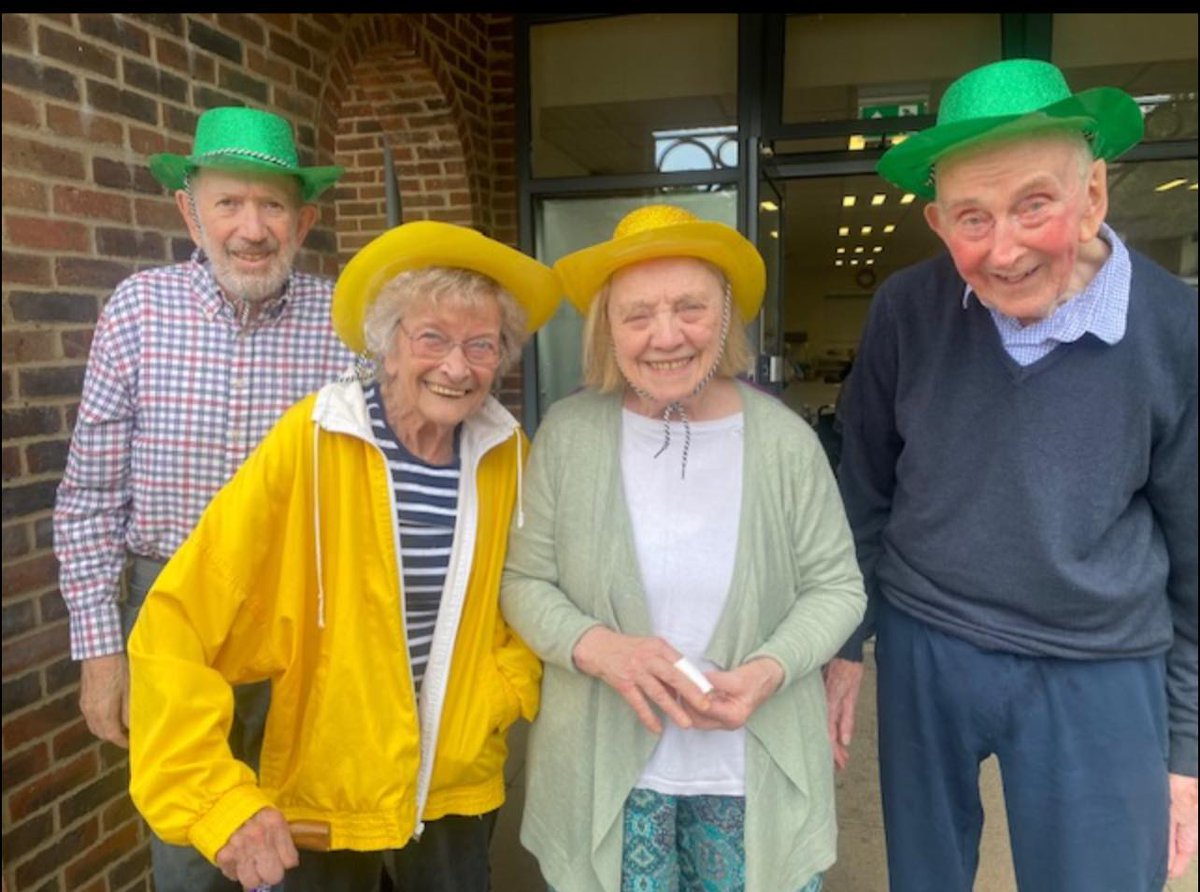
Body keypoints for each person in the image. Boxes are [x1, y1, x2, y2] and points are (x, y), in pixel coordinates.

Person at [824, 58, 1198, 891]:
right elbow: (867, 489)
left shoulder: (1177, 328)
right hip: (928, 640)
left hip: (1099, 659)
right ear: (936, 221)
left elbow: (1197, 553)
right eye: (971, 217)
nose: (1004, 247)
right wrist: (846, 646)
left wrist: (1187, 746)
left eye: (1036, 204)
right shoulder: (905, 311)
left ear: (1093, 194)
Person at [126, 220, 560, 892]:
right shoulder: (312, 441)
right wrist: (213, 797)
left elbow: (531, 590)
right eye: (432, 338)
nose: (456, 366)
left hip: (455, 784)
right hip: (329, 791)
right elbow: (175, 624)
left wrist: (500, 694)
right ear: (387, 347)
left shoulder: (507, 455)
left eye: (481, 345)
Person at [502, 204, 867, 891]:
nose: (665, 336)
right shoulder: (569, 434)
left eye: (689, 308)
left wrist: (768, 669)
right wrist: (600, 648)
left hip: (747, 775)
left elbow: (838, 586)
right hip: (606, 772)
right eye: (637, 314)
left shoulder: (785, 440)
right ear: (607, 327)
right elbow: (524, 581)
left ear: (725, 315)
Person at [53, 106, 352, 891]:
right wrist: (100, 652)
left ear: (305, 219)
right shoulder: (137, 311)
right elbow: (88, 500)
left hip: (305, 617)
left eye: (274, 205)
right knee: (189, 854)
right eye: (229, 203)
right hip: (169, 616)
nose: (251, 228)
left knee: (308, 847)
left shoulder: (347, 323)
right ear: (190, 210)